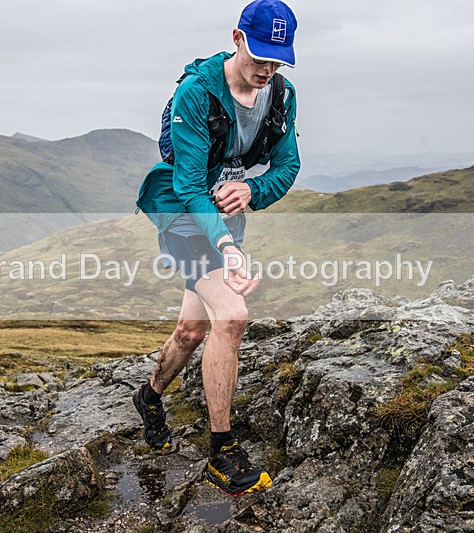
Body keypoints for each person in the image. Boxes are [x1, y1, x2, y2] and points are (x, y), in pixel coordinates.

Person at [133, 0, 300, 496]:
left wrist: (252, 191)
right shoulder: (195, 94)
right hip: (185, 218)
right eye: (261, 56)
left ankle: (149, 395)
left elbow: (287, 167)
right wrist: (227, 245)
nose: (267, 69)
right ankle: (221, 452)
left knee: (191, 329)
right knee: (231, 315)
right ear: (237, 38)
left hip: (227, 217)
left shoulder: (281, 97)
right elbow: (187, 185)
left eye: (279, 59)